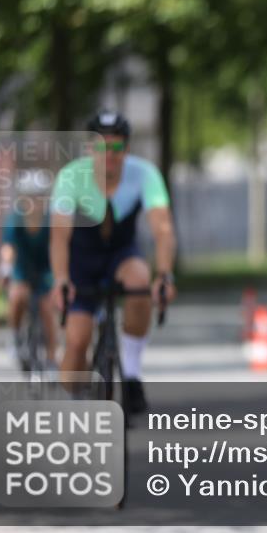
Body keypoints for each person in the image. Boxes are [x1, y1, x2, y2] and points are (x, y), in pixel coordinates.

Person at [50, 111, 177, 412]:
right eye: (101, 147)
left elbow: (162, 228)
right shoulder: (70, 177)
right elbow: (59, 237)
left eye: (117, 148)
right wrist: (60, 279)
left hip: (121, 255)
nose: (110, 155)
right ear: (89, 149)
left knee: (139, 279)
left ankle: (131, 375)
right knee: (77, 341)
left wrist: (165, 274)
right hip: (81, 263)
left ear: (127, 149)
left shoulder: (144, 174)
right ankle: (73, 401)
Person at [0, 170, 57, 368]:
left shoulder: (51, 219)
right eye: (29, 196)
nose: (34, 201)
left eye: (38, 196)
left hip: (46, 270)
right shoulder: (15, 218)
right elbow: (9, 247)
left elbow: (58, 246)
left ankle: (50, 359)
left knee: (48, 309)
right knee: (18, 296)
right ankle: (15, 337)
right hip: (22, 269)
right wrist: (5, 270)